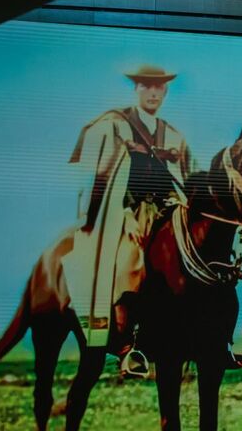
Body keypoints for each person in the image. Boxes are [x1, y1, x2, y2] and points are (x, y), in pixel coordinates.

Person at [61, 65, 191, 376]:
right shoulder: (113, 126)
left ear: (166, 92)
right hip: (125, 213)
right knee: (130, 261)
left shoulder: (173, 134)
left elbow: (188, 176)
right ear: (136, 89)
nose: (154, 93)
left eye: (159, 88)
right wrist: (115, 214)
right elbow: (98, 175)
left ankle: (206, 337)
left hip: (166, 213)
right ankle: (127, 347)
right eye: (147, 86)